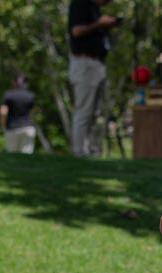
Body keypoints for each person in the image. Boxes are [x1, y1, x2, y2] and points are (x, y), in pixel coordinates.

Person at [67, 0, 117, 157]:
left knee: (95, 112)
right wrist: (98, 24)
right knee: (83, 110)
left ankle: (90, 149)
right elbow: (76, 31)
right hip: (84, 64)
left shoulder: (95, 8)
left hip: (96, 63)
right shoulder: (79, 4)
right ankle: (78, 150)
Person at [0, 73, 37, 154]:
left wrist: (2, 126)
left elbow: (3, 112)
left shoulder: (8, 95)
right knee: (27, 158)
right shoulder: (30, 96)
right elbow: (33, 113)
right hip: (28, 128)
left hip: (12, 128)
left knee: (12, 158)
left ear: (13, 82)